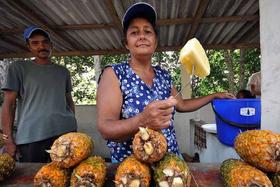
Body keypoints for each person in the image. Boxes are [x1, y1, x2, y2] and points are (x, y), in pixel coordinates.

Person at [96, 2, 235, 163]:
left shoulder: (163, 75)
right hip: (132, 169)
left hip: (171, 163)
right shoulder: (114, 73)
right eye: (134, 32)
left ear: (155, 42)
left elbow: (181, 105)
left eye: (147, 31)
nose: (142, 36)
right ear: (126, 43)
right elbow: (106, 127)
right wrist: (142, 120)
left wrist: (214, 96)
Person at [1, 26, 77, 162]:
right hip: (31, 136)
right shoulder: (18, 68)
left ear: (51, 45)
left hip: (65, 133)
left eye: (45, 42)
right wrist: (8, 140)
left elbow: (68, 100)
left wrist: (73, 123)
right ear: (29, 47)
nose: (41, 46)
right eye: (35, 43)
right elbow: (9, 104)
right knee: (32, 177)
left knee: (63, 177)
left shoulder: (63, 71)